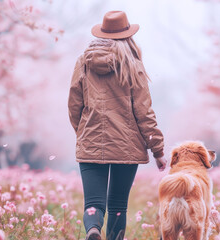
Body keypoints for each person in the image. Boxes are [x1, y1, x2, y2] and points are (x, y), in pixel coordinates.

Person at [68, 11, 167, 240]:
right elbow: (144, 113)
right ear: (127, 36)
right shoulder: (133, 65)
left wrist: (83, 132)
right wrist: (158, 150)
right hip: (127, 144)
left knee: (93, 202)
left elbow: (74, 104)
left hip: (91, 141)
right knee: (118, 204)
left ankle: (93, 229)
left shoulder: (84, 61)